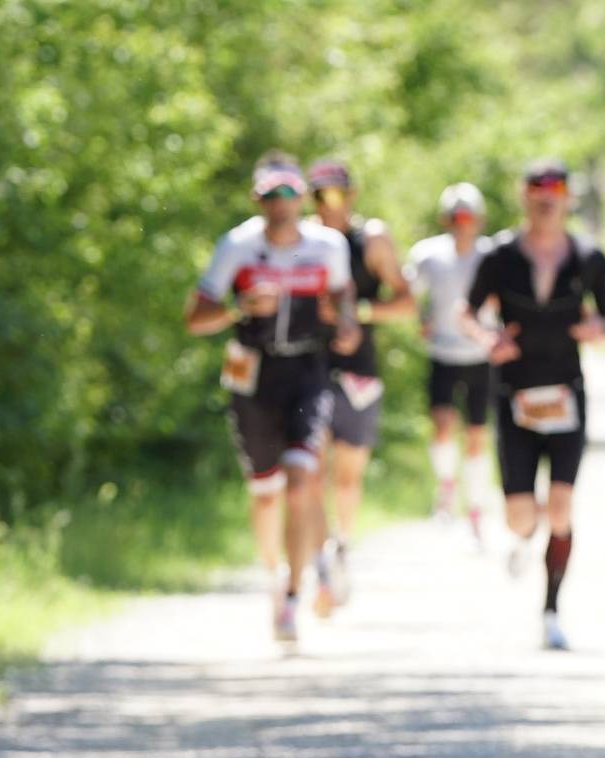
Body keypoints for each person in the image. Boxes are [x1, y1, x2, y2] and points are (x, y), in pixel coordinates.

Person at [185, 152, 359, 643]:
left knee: (304, 479)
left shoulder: (328, 247)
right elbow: (195, 318)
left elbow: (344, 301)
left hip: (307, 369)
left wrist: (345, 325)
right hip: (252, 373)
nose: (280, 205)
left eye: (289, 195)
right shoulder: (237, 246)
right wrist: (239, 307)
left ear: (303, 198)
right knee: (265, 494)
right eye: (270, 196)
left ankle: (292, 594)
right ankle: (273, 577)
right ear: (256, 200)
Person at [464, 157, 605, 650]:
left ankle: (550, 609)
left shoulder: (589, 257)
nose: (547, 195)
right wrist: (488, 338)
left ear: (568, 196)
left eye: (556, 186)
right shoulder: (500, 256)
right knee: (521, 517)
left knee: (561, 507)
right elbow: (465, 311)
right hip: (515, 395)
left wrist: (598, 331)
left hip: (566, 393)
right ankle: (522, 538)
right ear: (524, 194)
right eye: (537, 186)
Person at [305, 158, 414, 614]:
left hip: (358, 371)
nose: (327, 204)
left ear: (352, 195)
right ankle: (319, 564)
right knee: (311, 469)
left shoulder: (371, 240)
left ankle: (341, 545)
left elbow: (405, 303)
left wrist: (360, 315)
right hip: (309, 369)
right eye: (318, 195)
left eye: (335, 194)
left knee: (347, 475)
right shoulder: (302, 241)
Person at [405, 183, 497, 540]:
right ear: (446, 219)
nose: (463, 223)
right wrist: (421, 318)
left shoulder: (491, 255)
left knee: (477, 435)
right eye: (456, 217)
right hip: (443, 352)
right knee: (443, 426)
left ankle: (475, 504)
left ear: (479, 219)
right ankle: (446, 485)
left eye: (469, 217)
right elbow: (408, 293)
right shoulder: (428, 254)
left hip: (479, 355)